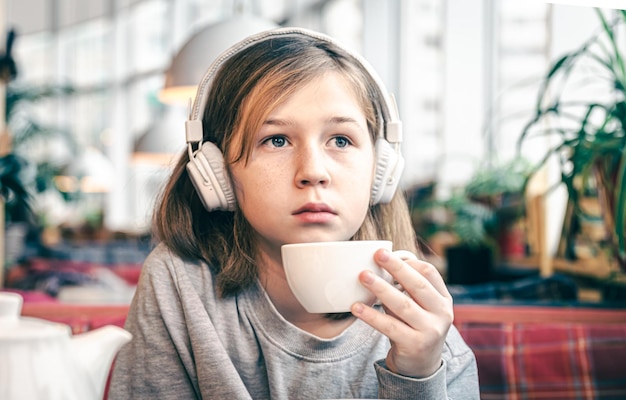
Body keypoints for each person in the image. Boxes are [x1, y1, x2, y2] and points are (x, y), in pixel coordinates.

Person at [109, 26, 480, 399]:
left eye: (340, 140)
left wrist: (416, 377)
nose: (313, 172)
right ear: (218, 172)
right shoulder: (179, 283)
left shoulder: (424, 323)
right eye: (277, 140)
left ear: (380, 168)